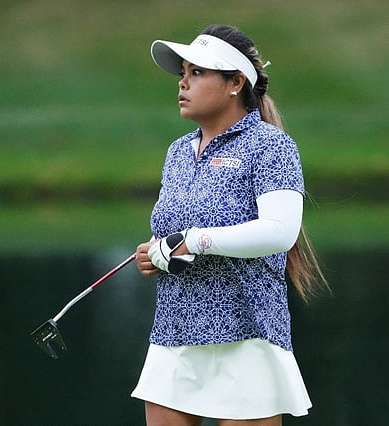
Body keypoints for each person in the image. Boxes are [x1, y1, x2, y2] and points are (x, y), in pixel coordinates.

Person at [131, 25, 328, 426]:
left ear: (236, 83)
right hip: (174, 335)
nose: (182, 83)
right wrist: (154, 252)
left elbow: (279, 231)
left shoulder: (271, 145)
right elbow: (177, 227)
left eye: (197, 72)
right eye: (183, 73)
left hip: (246, 336)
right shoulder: (178, 153)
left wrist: (195, 242)